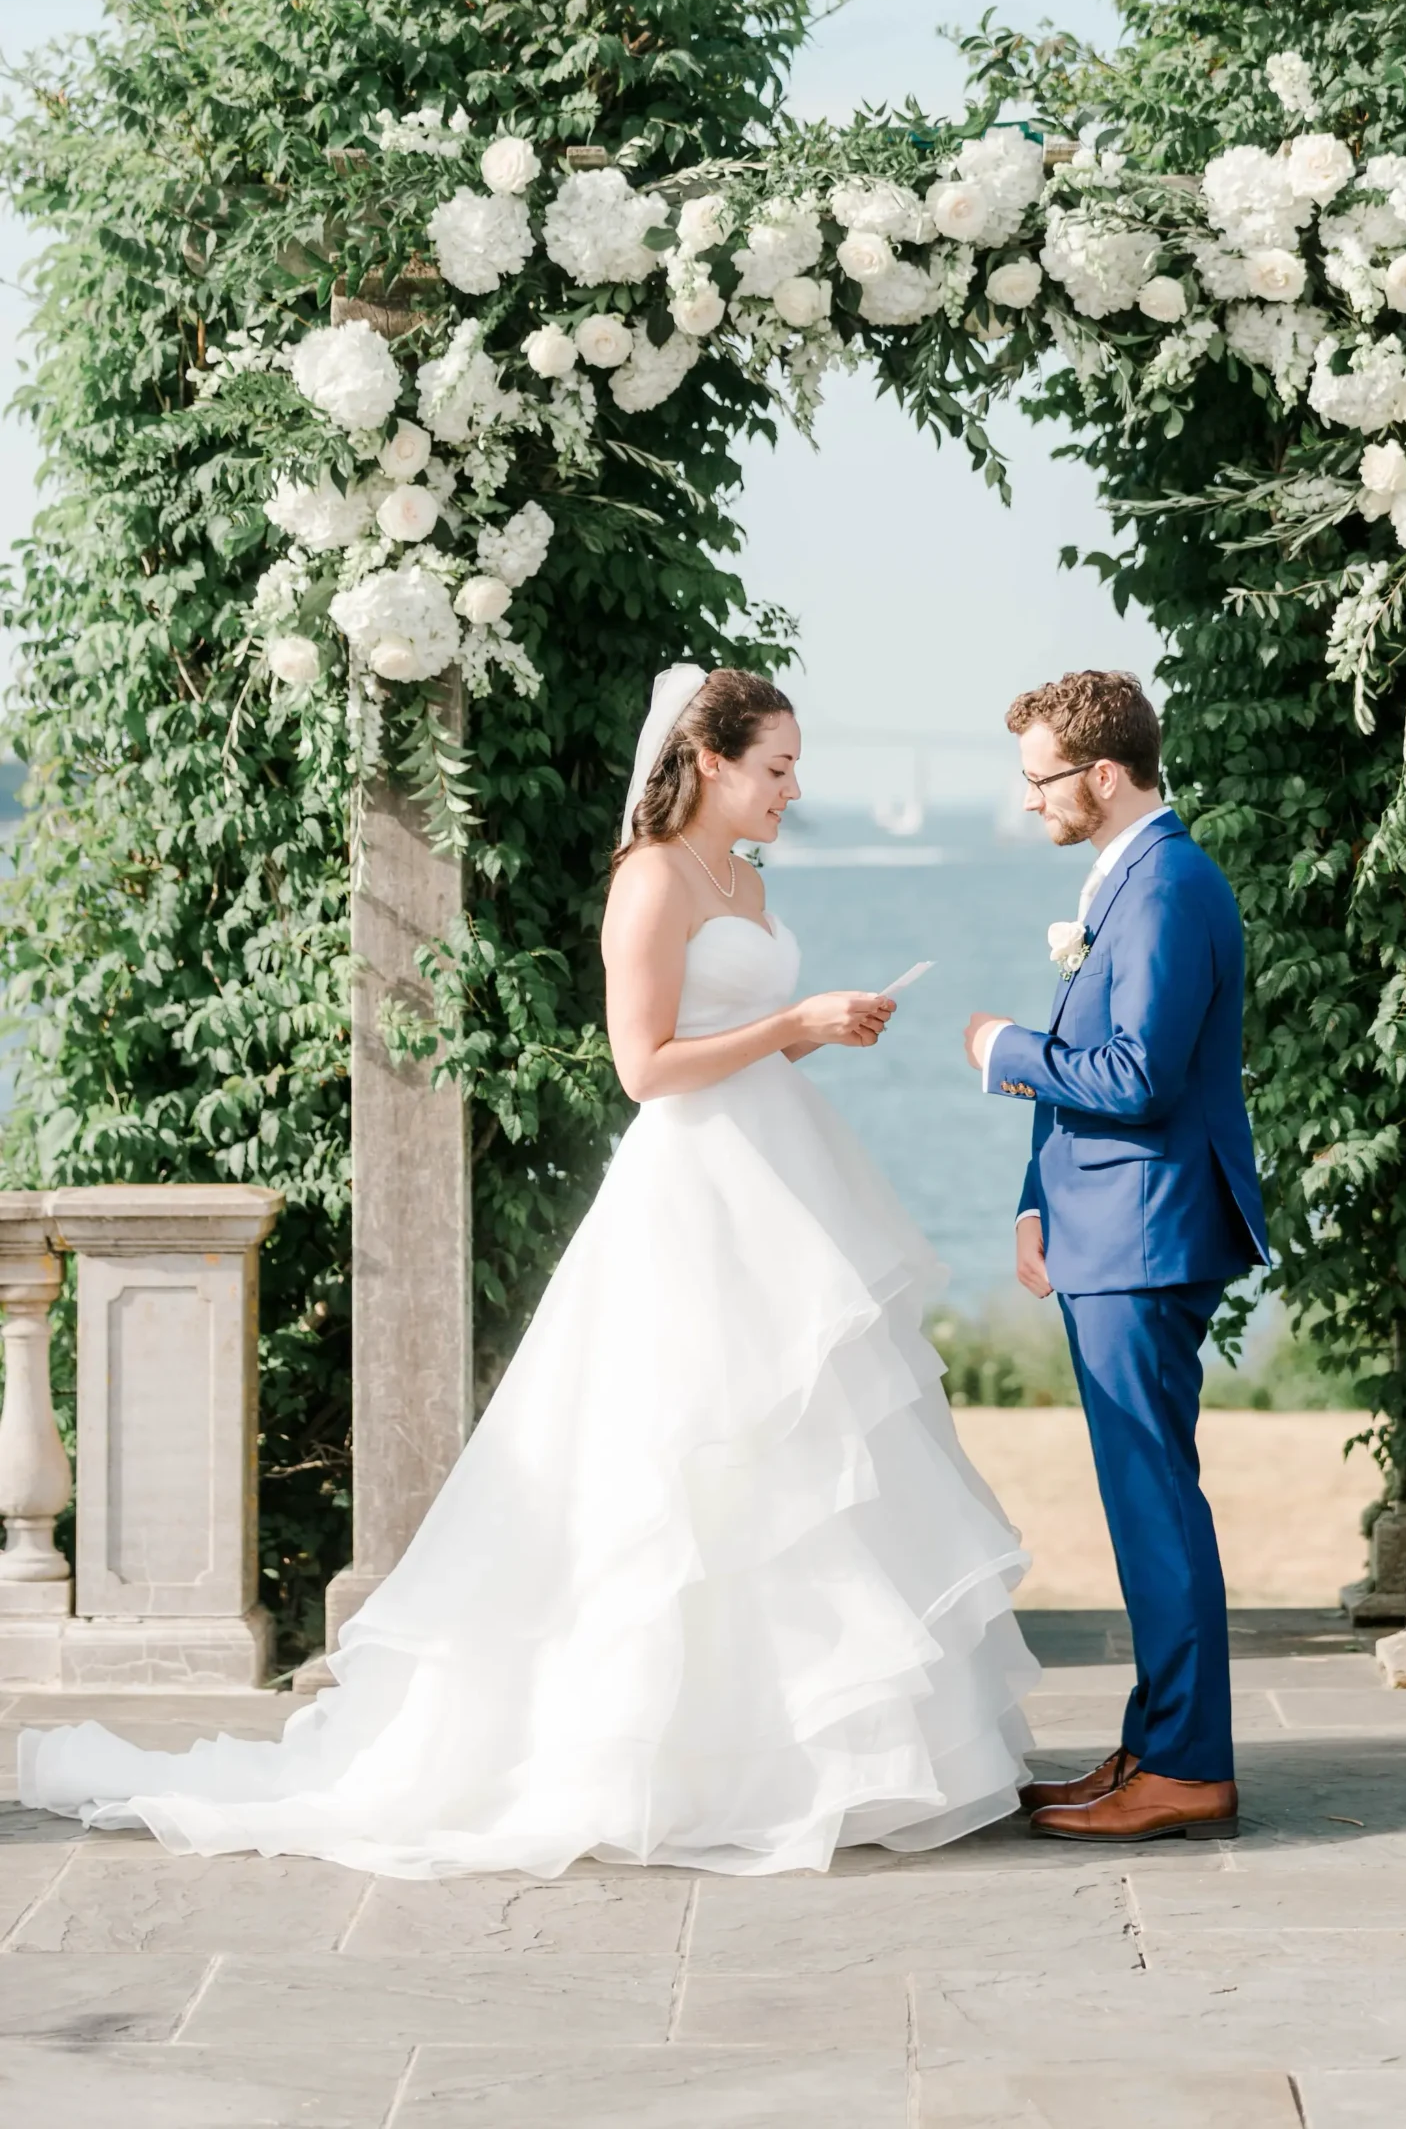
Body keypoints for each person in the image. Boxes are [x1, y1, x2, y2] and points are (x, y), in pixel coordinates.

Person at [21, 666, 1037, 1877]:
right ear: (709, 761)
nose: (793, 788)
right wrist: (791, 1024)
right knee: (680, 1459)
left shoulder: (748, 881)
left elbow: (741, 1043)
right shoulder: (650, 879)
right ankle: (656, 1760)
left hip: (777, 1173)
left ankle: (811, 1754)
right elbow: (644, 1067)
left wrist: (820, 1030)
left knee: (804, 1455)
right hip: (690, 1191)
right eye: (775, 767)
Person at [963, 670, 1267, 1845]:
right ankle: (1155, 1740)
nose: (1027, 799)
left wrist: (1005, 1047)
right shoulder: (1133, 881)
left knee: (1156, 1504)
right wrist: (1037, 1196)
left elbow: (1134, 1075)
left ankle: (1188, 1766)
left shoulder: (1168, 886)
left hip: (1146, 1238)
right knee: (1145, 1500)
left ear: (1102, 775)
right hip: (1105, 1226)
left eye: (1039, 778)